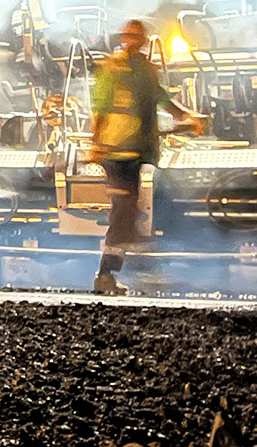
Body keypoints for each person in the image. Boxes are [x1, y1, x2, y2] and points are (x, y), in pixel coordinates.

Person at [86, 19, 204, 296]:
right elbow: (101, 108)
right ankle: (111, 274)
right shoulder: (111, 71)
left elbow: (159, 98)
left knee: (127, 212)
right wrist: (96, 144)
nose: (131, 42)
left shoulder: (145, 70)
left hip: (135, 150)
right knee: (123, 213)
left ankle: (125, 269)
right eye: (127, 37)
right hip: (116, 150)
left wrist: (186, 116)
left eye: (135, 37)